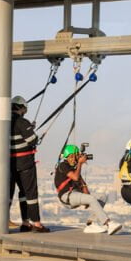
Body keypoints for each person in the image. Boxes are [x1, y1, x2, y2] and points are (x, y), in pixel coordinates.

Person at [54, 143, 122, 234]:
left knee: (102, 197)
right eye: (77, 155)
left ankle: (91, 224)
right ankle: (108, 224)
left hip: (75, 194)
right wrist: (80, 164)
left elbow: (81, 183)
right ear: (71, 156)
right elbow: (75, 177)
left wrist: (87, 199)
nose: (79, 157)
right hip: (67, 196)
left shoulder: (74, 167)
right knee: (91, 198)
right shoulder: (63, 165)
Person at [9, 95, 49, 233]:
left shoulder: (5, 122)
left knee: (14, 193)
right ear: (21, 107)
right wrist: (31, 130)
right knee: (29, 193)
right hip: (25, 164)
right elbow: (32, 140)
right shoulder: (22, 122)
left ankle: (24, 222)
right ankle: (36, 223)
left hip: (9, 164)